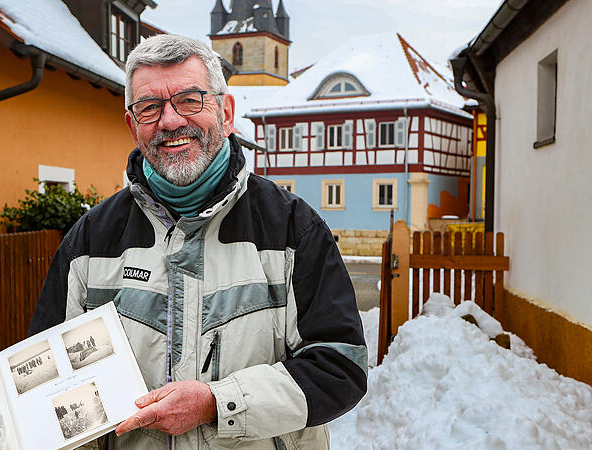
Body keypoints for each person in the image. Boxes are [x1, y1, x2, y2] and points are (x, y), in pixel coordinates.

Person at [29, 34, 367, 449]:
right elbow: (47, 385)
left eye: (190, 100)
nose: (170, 121)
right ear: (133, 126)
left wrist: (217, 403)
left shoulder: (292, 230)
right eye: (149, 107)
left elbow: (340, 368)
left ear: (225, 114)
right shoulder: (90, 241)